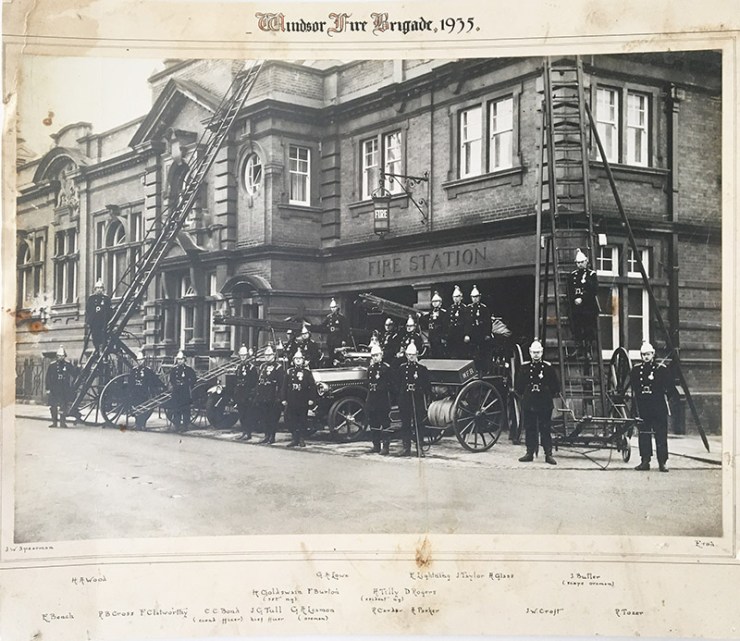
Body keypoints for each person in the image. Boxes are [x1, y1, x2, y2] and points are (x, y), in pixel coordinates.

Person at [630, 341, 679, 473]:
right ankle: (645, 461)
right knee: (644, 433)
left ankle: (662, 462)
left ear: (653, 354)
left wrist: (662, 398)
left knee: (660, 434)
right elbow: (634, 388)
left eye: (648, 354)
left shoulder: (661, 369)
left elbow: (670, 388)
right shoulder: (636, 370)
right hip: (643, 407)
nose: (646, 357)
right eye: (643, 354)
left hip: (658, 407)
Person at [515, 339, 559, 465]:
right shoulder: (525, 368)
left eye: (538, 352)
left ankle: (548, 454)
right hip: (530, 401)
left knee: (545, 428)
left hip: (544, 401)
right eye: (534, 352)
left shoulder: (548, 368)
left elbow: (555, 387)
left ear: (542, 352)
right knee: (530, 428)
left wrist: (548, 394)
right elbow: (519, 386)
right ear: (530, 352)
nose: (536, 355)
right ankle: (529, 453)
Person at [397, 341, 431, 457]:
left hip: (417, 398)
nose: (411, 357)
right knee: (405, 423)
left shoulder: (422, 369)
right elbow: (398, 384)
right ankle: (406, 448)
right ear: (406, 355)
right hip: (405, 398)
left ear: (417, 354)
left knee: (419, 423)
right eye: (409, 355)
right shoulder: (402, 368)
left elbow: (427, 385)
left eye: (413, 354)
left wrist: (423, 394)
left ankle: (419, 447)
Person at [567, 248, 599, 360]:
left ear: (586, 261)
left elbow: (594, 291)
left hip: (588, 307)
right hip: (576, 307)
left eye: (582, 262)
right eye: (578, 263)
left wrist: (582, 298)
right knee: (576, 327)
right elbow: (569, 290)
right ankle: (578, 349)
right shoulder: (573, 275)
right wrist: (575, 299)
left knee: (588, 329)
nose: (580, 264)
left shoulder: (591, 275)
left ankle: (588, 351)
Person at [281, 348, 317, 448]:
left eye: (300, 359)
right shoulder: (289, 372)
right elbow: (284, 386)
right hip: (291, 399)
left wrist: (311, 399)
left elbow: (312, 386)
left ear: (303, 360)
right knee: (292, 420)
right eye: (296, 359)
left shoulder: (306, 372)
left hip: (302, 399)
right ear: (293, 360)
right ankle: (294, 438)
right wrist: (283, 398)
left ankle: (301, 438)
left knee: (302, 420)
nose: (298, 360)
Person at [365, 343, 394, 455]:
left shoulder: (386, 368)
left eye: (377, 355)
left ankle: (385, 446)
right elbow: (368, 383)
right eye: (373, 356)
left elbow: (391, 384)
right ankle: (376, 445)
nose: (375, 357)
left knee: (385, 423)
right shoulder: (370, 369)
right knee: (373, 423)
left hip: (382, 399)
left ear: (381, 355)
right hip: (372, 398)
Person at [254, 345, 284, 445]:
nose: (267, 357)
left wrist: (279, 397)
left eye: (269, 355)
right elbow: (259, 381)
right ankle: (266, 435)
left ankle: (272, 436)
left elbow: (281, 384)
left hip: (273, 396)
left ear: (274, 355)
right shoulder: (262, 366)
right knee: (264, 417)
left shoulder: (278, 367)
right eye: (266, 355)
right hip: (263, 395)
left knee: (272, 418)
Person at [45, 345, 77, 428]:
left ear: (64, 356)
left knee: (63, 406)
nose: (61, 358)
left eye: (62, 356)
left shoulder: (68, 365)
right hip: (54, 388)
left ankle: (62, 423)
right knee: (53, 406)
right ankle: (54, 422)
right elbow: (48, 378)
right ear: (57, 356)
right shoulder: (52, 365)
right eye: (59, 356)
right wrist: (48, 388)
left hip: (64, 388)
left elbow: (74, 374)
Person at [128, 350, 161, 430]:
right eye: (138, 360)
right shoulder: (134, 370)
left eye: (141, 360)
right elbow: (131, 382)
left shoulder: (147, 370)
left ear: (144, 360)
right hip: (136, 392)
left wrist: (155, 390)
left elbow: (152, 381)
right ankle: (137, 423)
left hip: (144, 392)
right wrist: (130, 391)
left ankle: (142, 424)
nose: (140, 362)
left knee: (144, 408)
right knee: (136, 407)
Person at [464, 285, 492, 374]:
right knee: (472, 354)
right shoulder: (468, 308)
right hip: (472, 335)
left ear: (479, 297)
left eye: (476, 297)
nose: (475, 299)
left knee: (482, 353)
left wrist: (487, 334)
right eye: (473, 297)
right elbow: (466, 323)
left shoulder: (484, 308)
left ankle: (482, 371)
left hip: (481, 334)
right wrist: (466, 334)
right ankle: (473, 371)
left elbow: (488, 322)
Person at [232, 345, 258, 440]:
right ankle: (244, 431)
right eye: (241, 355)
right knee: (241, 414)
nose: (242, 357)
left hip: (247, 394)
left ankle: (248, 432)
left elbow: (254, 382)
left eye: (244, 355)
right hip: (240, 394)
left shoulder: (251, 368)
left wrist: (251, 394)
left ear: (247, 356)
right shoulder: (238, 367)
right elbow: (236, 381)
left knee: (248, 415)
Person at [168, 350, 197, 432]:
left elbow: (193, 379)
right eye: (178, 359)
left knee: (185, 409)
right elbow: (172, 379)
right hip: (176, 391)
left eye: (181, 359)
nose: (180, 361)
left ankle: (185, 426)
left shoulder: (188, 369)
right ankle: (177, 425)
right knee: (176, 409)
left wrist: (187, 384)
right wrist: (175, 384)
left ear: (184, 360)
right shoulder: (174, 369)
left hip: (185, 392)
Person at [322, 298, 351, 366]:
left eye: (334, 307)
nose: (332, 309)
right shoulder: (329, 317)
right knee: (331, 356)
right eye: (331, 308)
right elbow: (322, 326)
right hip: (330, 340)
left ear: (337, 307)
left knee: (338, 357)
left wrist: (343, 339)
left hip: (338, 340)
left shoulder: (341, 318)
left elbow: (345, 330)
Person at [421, 291, 448, 359]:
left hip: (439, 336)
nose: (435, 303)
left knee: (440, 353)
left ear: (440, 303)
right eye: (433, 301)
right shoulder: (431, 313)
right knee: (433, 353)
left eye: (436, 301)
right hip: (432, 336)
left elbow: (445, 325)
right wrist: (421, 316)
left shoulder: (443, 313)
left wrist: (444, 337)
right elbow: (426, 321)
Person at [86, 279, 112, 350]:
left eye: (101, 288)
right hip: (94, 322)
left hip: (103, 322)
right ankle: (97, 348)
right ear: (95, 289)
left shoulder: (106, 299)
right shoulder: (91, 299)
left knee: (103, 337)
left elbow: (109, 311)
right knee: (95, 337)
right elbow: (88, 310)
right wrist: (89, 321)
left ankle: (102, 348)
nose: (99, 290)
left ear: (103, 289)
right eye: (97, 288)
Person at [447, 285, 469, 359]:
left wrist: (467, 334)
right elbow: (446, 322)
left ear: (461, 297)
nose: (456, 298)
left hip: (461, 334)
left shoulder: (465, 308)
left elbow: (467, 323)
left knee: (462, 354)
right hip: (452, 335)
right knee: (452, 354)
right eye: (454, 297)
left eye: (457, 297)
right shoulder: (450, 309)